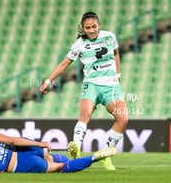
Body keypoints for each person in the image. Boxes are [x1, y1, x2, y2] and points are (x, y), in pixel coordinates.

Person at [39, 11, 128, 170]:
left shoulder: (109, 37)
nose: (92, 30)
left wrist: (118, 75)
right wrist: (48, 81)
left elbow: (115, 54)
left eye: (94, 26)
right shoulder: (79, 44)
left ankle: (105, 155)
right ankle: (76, 151)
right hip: (91, 84)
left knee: (123, 119)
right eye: (88, 28)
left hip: (111, 85)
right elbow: (65, 64)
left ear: (99, 25)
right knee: (85, 116)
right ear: (83, 28)